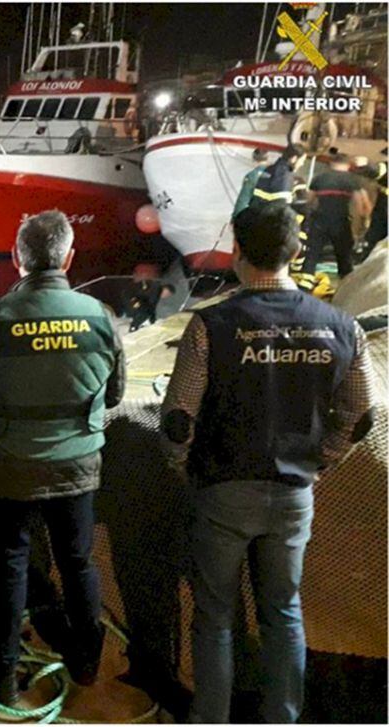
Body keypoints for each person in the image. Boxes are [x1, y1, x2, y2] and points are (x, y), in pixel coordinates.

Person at [162, 203, 375, 723]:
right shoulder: (342, 327)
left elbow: (178, 419)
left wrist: (184, 467)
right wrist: (321, 460)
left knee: (215, 618)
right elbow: (361, 413)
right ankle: (282, 717)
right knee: (283, 613)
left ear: (237, 252)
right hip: (293, 494)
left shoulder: (211, 326)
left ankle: (210, 718)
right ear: (297, 252)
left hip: (223, 490)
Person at [0, 210, 126, 704]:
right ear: (68, 257)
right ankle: (86, 664)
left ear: (19, 259)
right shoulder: (101, 318)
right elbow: (114, 396)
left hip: (9, 466)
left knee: (8, 563)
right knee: (76, 560)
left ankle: (1, 675)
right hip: (77, 465)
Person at [303, 153, 365, 278]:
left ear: (331, 163)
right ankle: (345, 289)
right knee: (344, 259)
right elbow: (360, 206)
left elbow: (309, 201)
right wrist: (360, 227)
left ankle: (305, 286)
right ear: (348, 165)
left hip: (319, 222)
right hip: (340, 223)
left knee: (311, 257)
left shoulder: (320, 178)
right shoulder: (352, 180)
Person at [231, 147, 270, 218]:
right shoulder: (275, 174)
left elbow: (243, 200)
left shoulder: (252, 176)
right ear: (267, 159)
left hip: (256, 216)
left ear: (253, 160)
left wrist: (235, 217)